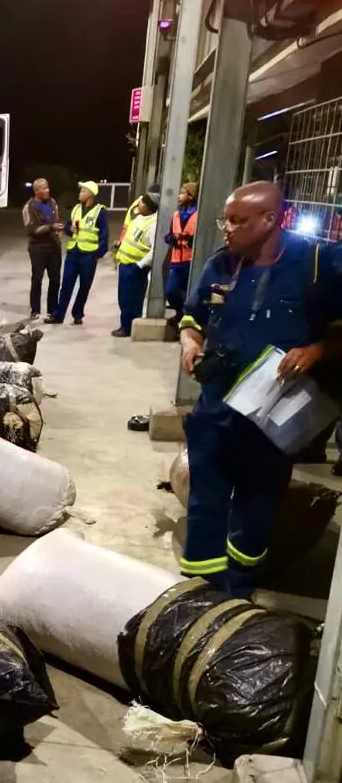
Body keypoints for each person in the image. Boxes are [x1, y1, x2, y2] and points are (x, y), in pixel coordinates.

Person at [178, 181, 342, 599]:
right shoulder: (221, 265)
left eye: (237, 220)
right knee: (206, 500)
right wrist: (191, 340)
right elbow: (193, 315)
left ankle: (239, 589)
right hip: (216, 406)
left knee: (257, 505)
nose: (227, 229)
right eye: (225, 219)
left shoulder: (318, 264)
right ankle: (201, 589)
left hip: (272, 416)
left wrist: (317, 350)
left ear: (270, 219)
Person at [45, 180, 108, 326]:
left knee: (84, 287)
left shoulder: (100, 212)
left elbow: (104, 236)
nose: (80, 194)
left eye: (83, 191)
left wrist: (97, 254)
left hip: (88, 255)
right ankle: (58, 315)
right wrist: (68, 229)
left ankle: (78, 314)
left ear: (91, 194)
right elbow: (68, 225)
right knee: (66, 285)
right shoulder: (76, 209)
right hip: (73, 253)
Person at [112, 192, 159, 338]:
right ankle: (125, 325)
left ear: (149, 206)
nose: (139, 204)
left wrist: (140, 265)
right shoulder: (138, 218)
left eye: (142, 203)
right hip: (125, 264)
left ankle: (128, 327)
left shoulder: (153, 224)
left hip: (136, 268)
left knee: (132, 300)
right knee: (123, 299)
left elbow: (154, 249)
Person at [22, 179, 62, 320]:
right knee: (37, 278)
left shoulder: (52, 203)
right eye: (44, 188)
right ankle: (35, 310)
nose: (48, 191)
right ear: (37, 191)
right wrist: (51, 227)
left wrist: (58, 230)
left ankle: (52, 309)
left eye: (48, 187)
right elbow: (32, 229)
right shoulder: (29, 207)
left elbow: (56, 220)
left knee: (55, 279)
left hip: (53, 246)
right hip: (38, 247)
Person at [165, 182, 199, 326]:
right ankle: (180, 313)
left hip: (191, 260)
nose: (179, 196)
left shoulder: (198, 214)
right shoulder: (176, 215)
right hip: (176, 260)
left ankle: (186, 319)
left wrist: (188, 240)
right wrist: (173, 239)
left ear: (191, 196)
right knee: (171, 291)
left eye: (182, 193)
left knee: (189, 293)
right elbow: (168, 236)